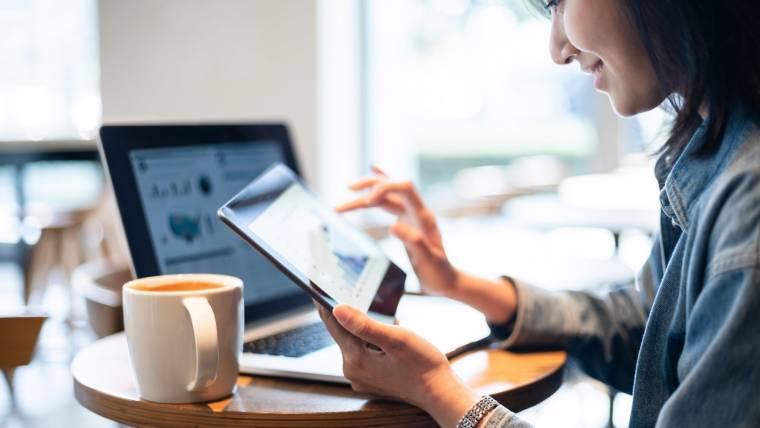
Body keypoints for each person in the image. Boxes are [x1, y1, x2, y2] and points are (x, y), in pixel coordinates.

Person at [316, 0, 760, 426]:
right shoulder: (714, 147)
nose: (557, 48)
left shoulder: (747, 203)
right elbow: (642, 330)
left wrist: (437, 390)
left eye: (558, 1)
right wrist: (455, 284)